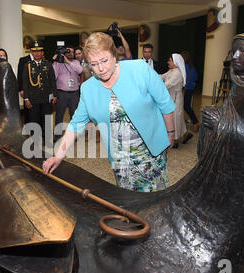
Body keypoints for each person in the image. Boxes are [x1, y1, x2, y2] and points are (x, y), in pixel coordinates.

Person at [43, 33, 176, 193]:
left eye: (104, 60)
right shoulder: (88, 88)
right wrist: (58, 155)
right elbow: (76, 124)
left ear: (114, 55)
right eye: (93, 64)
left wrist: (170, 133)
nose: (100, 68)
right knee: (129, 201)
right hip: (120, 159)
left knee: (156, 199)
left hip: (150, 154)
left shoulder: (139, 69)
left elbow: (165, 103)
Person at [22, 41, 57, 142]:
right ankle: (36, 141)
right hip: (33, 99)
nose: (37, 53)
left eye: (39, 51)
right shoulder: (27, 66)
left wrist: (55, 94)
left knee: (46, 120)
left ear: (42, 53)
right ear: (31, 53)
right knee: (35, 120)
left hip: (46, 98)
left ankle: (47, 140)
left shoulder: (48, 64)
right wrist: (26, 99)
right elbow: (25, 83)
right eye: (34, 51)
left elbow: (52, 80)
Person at [52, 46, 83, 139]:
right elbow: (54, 76)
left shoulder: (76, 62)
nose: (70, 53)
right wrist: (56, 62)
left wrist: (68, 62)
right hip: (62, 93)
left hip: (74, 94)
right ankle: (57, 136)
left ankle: (74, 135)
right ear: (64, 53)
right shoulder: (58, 64)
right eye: (68, 51)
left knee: (74, 116)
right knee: (59, 116)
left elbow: (80, 70)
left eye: (72, 52)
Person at [160, 54, 187, 149]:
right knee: (178, 119)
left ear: (175, 62)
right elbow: (162, 76)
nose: (168, 62)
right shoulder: (171, 71)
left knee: (175, 119)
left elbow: (166, 85)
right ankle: (185, 135)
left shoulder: (177, 74)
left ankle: (175, 141)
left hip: (175, 99)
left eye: (169, 60)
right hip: (171, 98)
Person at [181, 51, 200, 133]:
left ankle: (196, 122)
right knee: (187, 106)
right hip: (190, 89)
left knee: (185, 107)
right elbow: (195, 78)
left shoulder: (182, 67)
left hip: (184, 89)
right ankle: (195, 122)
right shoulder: (192, 67)